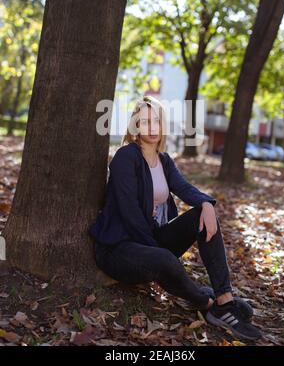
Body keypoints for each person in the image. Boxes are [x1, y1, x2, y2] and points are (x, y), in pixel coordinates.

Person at [89, 96, 262, 341]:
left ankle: (225, 298)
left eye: (157, 121)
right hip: (119, 247)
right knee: (164, 259)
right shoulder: (126, 157)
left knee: (198, 218)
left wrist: (206, 204)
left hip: (148, 239)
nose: (152, 127)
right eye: (145, 121)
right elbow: (130, 215)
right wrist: (159, 262)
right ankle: (209, 304)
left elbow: (183, 187)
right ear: (135, 126)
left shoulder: (164, 160)